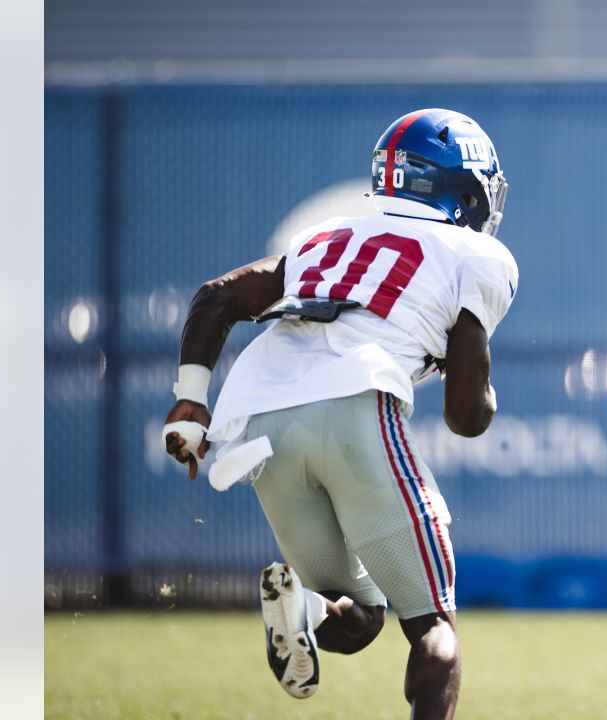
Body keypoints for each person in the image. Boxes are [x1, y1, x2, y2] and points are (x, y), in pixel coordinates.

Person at [160, 108, 516, 720]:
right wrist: (485, 395)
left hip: (261, 424)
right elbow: (464, 415)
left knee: (358, 617)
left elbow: (218, 296)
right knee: (434, 626)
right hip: (357, 403)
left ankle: (306, 606)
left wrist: (192, 401)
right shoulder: (477, 253)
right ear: (459, 185)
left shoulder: (324, 237)